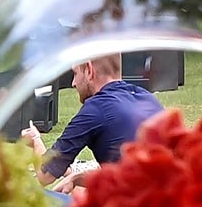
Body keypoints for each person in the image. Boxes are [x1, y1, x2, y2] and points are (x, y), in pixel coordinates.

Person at [22, 54, 165, 199]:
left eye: (75, 74)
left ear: (89, 70)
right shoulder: (148, 98)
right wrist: (76, 177)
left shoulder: (96, 109)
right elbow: (131, 174)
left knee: (34, 199)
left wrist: (35, 139)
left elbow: (44, 175)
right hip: (166, 204)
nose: (73, 83)